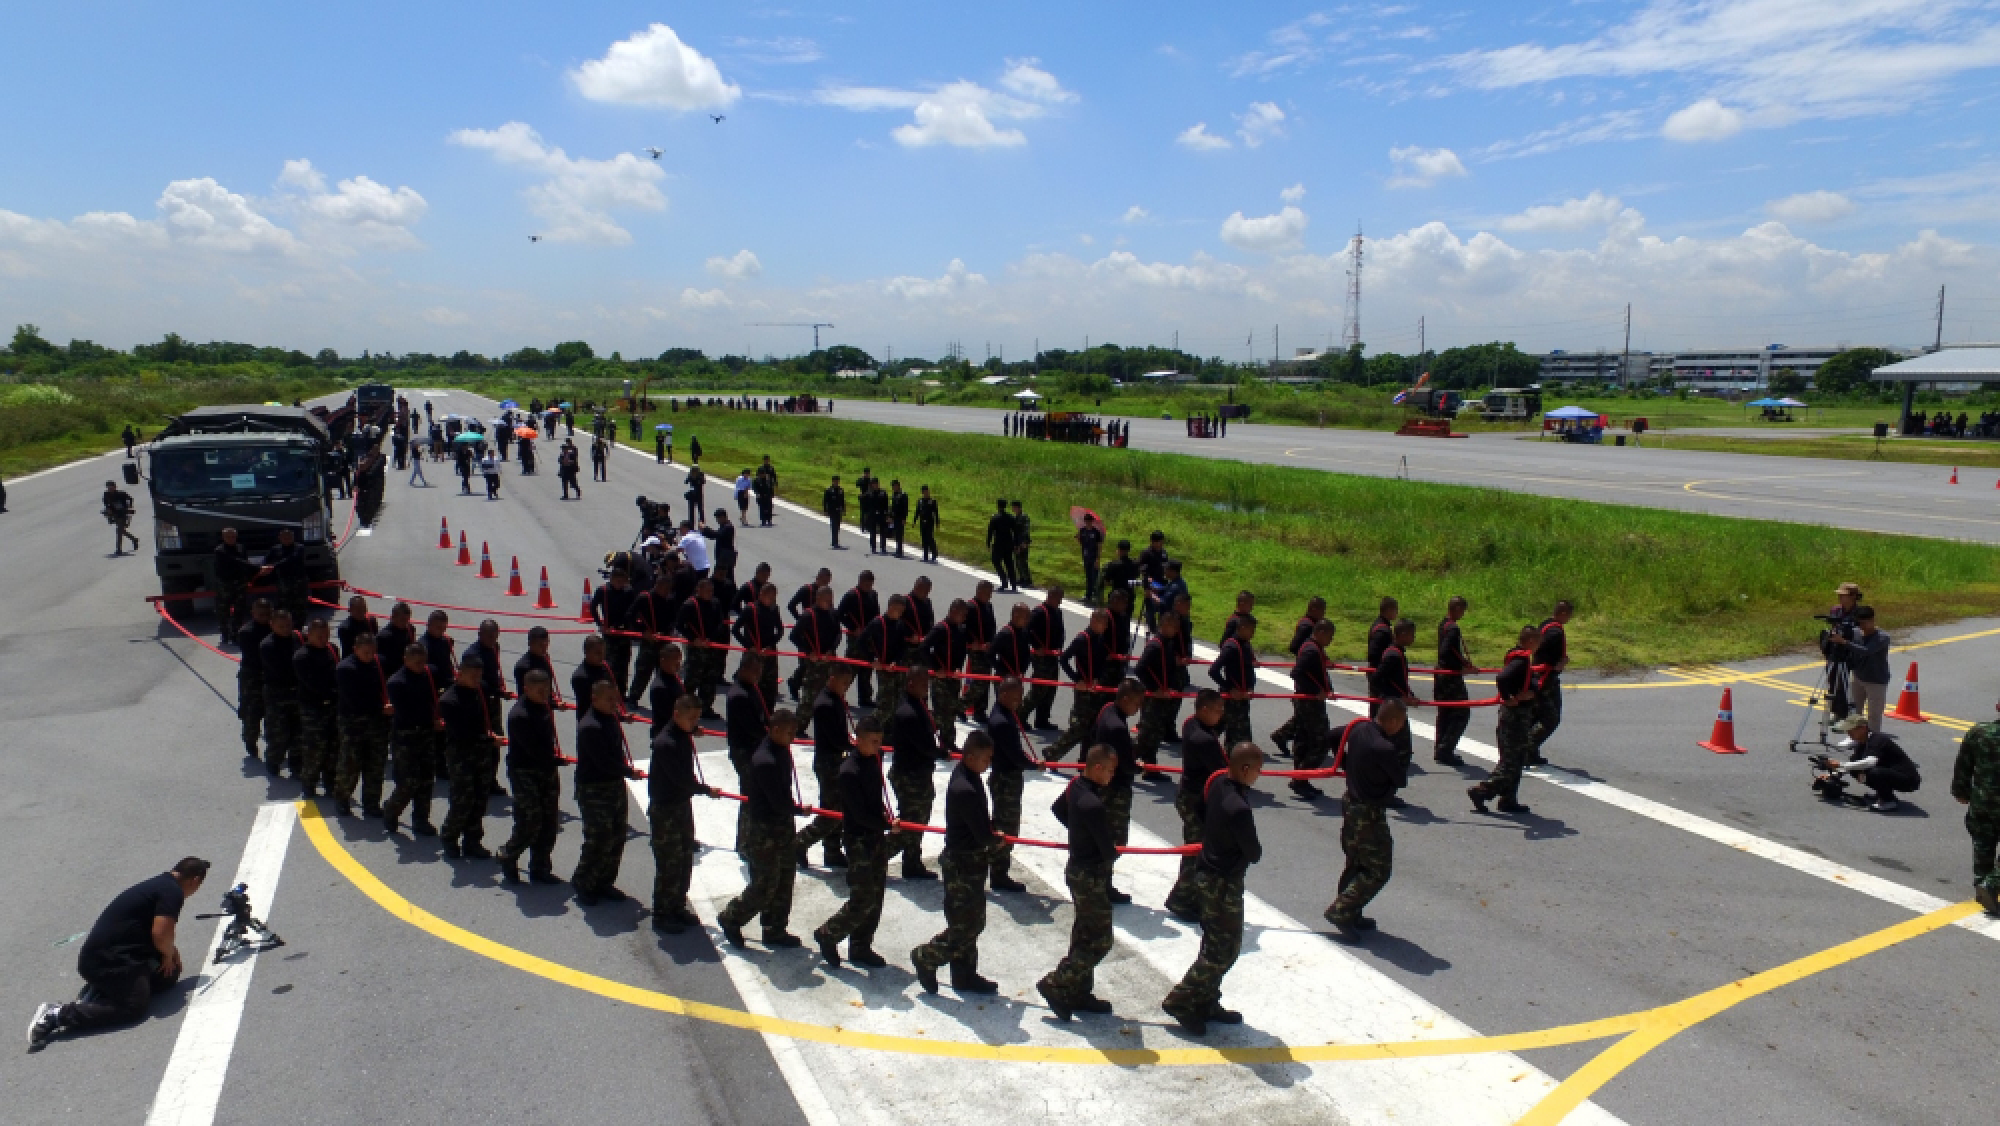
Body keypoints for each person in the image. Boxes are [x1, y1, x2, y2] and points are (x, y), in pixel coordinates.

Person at [28, 857, 211, 1050]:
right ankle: (56, 1015)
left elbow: (159, 935)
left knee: (168, 975)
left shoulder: (161, 884)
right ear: (195, 881)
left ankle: (104, 990)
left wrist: (170, 953)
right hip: (106, 961)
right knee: (133, 1008)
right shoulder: (173, 892)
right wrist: (168, 953)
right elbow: (160, 934)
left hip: (115, 956)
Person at [1162, 742, 1262, 1035]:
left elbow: (1201, 810)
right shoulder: (1239, 808)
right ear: (1244, 769)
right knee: (1223, 950)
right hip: (1223, 882)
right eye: (1257, 770)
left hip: (1209, 873)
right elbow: (1254, 852)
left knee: (1216, 943)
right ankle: (1182, 999)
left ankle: (1206, 1000)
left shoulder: (1219, 783)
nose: (1258, 775)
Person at [910, 731, 1003, 995]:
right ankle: (927, 956)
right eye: (986, 759)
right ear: (970, 756)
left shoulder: (969, 776)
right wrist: (996, 840)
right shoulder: (966, 787)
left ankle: (964, 974)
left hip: (968, 861)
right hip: (963, 863)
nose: (989, 764)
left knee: (966, 920)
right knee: (968, 924)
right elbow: (981, 834)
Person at [1037, 745, 1120, 1021]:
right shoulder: (1093, 804)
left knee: (1084, 933)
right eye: (1109, 770)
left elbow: (1058, 809)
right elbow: (1108, 850)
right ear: (1097, 768)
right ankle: (1058, 983)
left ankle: (1079, 991)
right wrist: (1100, 843)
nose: (1111, 776)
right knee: (1100, 939)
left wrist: (1078, 832)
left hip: (1078, 869)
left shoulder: (1076, 786)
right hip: (1090, 875)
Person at [718, 709, 805, 948]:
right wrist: (798, 809)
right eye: (788, 732)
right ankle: (732, 917)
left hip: (782, 825)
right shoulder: (765, 759)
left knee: (785, 878)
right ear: (775, 729)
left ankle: (775, 928)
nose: (792, 737)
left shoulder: (781, 751)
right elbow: (777, 800)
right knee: (765, 885)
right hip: (766, 831)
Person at [812, 715, 893, 967]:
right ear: (858, 740)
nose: (877, 746)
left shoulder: (872, 761)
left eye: (879, 742)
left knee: (876, 896)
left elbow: (875, 799)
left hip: (875, 837)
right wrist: (888, 825)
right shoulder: (849, 771)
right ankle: (829, 933)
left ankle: (861, 946)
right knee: (863, 898)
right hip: (859, 840)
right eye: (872, 741)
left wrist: (885, 817)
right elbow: (858, 813)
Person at [1326, 700, 1409, 932]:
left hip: (1351, 803)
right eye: (1401, 723)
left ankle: (1352, 912)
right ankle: (1341, 910)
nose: (1401, 728)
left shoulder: (1359, 729)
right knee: (1378, 869)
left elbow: (1333, 735)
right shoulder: (1384, 748)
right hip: (1369, 811)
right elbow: (1400, 780)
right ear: (1392, 721)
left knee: (1356, 863)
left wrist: (1344, 763)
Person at [649, 693, 714, 933]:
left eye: (697, 718)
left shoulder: (682, 735)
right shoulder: (666, 742)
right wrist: (706, 790)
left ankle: (677, 905)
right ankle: (662, 913)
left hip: (680, 806)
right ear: (676, 715)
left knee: (685, 858)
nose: (695, 722)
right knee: (669, 863)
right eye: (691, 718)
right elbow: (680, 779)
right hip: (666, 809)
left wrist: (691, 730)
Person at [572, 680, 639, 905]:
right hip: (594, 788)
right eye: (610, 700)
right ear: (595, 699)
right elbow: (603, 762)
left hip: (613, 785)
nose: (615, 704)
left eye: (616, 699)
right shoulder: (590, 726)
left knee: (617, 836)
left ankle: (604, 881)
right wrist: (629, 772)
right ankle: (584, 882)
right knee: (598, 838)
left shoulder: (608, 718)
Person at [498, 671, 565, 886]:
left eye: (547, 689)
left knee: (549, 821)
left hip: (545, 770)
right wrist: (555, 760)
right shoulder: (520, 715)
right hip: (525, 771)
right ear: (526, 689)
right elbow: (534, 750)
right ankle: (509, 854)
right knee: (530, 820)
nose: (545, 694)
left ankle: (540, 867)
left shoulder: (543, 707)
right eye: (540, 690)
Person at [1469, 625, 1541, 815]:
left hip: (1517, 717)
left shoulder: (1520, 657)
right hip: (1515, 718)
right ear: (1532, 641)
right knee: (1511, 762)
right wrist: (1509, 697)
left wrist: (1531, 691)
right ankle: (1483, 790)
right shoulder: (1521, 660)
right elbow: (1502, 678)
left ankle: (1508, 799)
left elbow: (1531, 681)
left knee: (1516, 760)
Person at [437, 657, 499, 858]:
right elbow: (462, 733)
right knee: (462, 800)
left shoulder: (480, 690)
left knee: (480, 798)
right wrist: (489, 740)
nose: (476, 680)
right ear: (460, 673)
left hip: (481, 753)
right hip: (461, 755)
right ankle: (449, 835)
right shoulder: (449, 700)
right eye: (472, 675)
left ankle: (472, 840)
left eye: (478, 676)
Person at [1091, 679, 1147, 904]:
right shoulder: (1116, 726)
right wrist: (1138, 766)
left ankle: (1102, 882)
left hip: (1105, 784)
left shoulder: (1108, 711)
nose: (1138, 708)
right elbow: (1125, 763)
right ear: (1125, 700)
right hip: (1115, 789)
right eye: (1136, 703)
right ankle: (1102, 884)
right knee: (1115, 839)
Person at [795, 665, 855, 869]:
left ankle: (832, 850)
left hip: (835, 760)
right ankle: (800, 842)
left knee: (838, 810)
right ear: (832, 678)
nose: (846, 688)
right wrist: (853, 745)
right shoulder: (825, 703)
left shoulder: (834, 699)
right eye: (844, 683)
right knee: (831, 813)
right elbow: (834, 738)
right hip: (828, 763)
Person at [382, 643, 443, 836]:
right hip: (406, 737)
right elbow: (406, 712)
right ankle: (392, 811)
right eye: (416, 662)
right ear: (405, 660)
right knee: (408, 782)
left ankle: (421, 819)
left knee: (426, 780)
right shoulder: (396, 683)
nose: (421, 666)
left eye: (423, 662)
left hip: (425, 734)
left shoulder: (429, 675)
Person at [984, 676, 1039, 893]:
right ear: (1003, 695)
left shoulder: (1005, 715)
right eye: (1015, 696)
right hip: (1006, 780)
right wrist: (1034, 766)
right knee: (1006, 828)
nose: (1019, 700)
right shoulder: (1001, 721)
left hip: (1008, 777)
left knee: (1005, 826)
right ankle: (998, 873)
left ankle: (997, 869)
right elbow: (1015, 756)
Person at [889, 668, 944, 880]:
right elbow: (924, 746)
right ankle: (872, 859)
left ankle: (912, 862)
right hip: (909, 776)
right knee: (909, 825)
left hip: (918, 774)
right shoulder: (908, 712)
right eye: (923, 684)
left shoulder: (917, 706)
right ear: (910, 683)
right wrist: (943, 752)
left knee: (917, 822)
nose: (926, 688)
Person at [332, 629, 389, 818]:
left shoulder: (379, 664)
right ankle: (342, 798)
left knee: (375, 765)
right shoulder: (345, 669)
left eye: (372, 652)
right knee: (350, 764)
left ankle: (371, 802)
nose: (370, 656)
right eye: (366, 652)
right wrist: (381, 707)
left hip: (376, 723)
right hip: (353, 723)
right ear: (355, 649)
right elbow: (354, 700)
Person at [1951, 704, 2000, 914]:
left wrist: (1960, 790)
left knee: (1983, 845)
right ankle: (1990, 884)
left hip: (1982, 801)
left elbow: (1964, 764)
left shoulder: (1979, 732)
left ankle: (1982, 888)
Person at [1049, 609, 1115, 761]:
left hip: (1096, 688)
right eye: (1102, 623)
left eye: (1106, 624)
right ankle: (1052, 753)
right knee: (1079, 727)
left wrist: (1099, 679)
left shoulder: (1100, 639)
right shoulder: (1082, 639)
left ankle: (1085, 759)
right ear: (1093, 621)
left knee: (1092, 728)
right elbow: (1064, 659)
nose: (1105, 626)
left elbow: (1102, 663)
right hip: (1083, 688)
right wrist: (1076, 679)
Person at [1285, 619, 1338, 799]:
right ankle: (1300, 778)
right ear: (1321, 632)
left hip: (1309, 701)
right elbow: (1297, 673)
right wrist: (1317, 691)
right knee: (1321, 741)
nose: (1331, 640)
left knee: (1304, 740)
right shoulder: (1310, 650)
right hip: (1309, 702)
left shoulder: (1314, 648)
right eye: (1330, 636)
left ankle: (1301, 779)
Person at [1825, 715, 1922, 811]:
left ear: (1863, 728)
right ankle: (1881, 794)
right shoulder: (1862, 742)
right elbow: (1853, 763)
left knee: (1874, 772)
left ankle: (1888, 801)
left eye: (1851, 730)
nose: (1848, 733)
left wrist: (1840, 764)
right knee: (1855, 769)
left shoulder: (1877, 739)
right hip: (1891, 773)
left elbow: (1871, 762)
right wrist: (1832, 775)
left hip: (1908, 780)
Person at [293, 618, 341, 798]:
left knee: (333, 748)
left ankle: (331, 783)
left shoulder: (332, 650)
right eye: (319, 635)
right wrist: (333, 691)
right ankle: (309, 783)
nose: (323, 639)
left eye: (326, 635)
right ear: (309, 635)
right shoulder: (302, 657)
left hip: (332, 708)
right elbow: (314, 684)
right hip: (313, 709)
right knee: (314, 749)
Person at [1528, 600, 1573, 765]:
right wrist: (1562, 663)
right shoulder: (1556, 632)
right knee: (1551, 718)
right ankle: (1528, 747)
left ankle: (1528, 750)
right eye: (1568, 615)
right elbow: (1553, 660)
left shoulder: (1545, 625)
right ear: (1563, 613)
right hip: (1547, 679)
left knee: (1535, 715)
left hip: (1535, 675)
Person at [1834, 605, 1892, 732]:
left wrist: (1844, 642)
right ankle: (1855, 736)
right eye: (1859, 623)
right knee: (1855, 711)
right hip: (1858, 677)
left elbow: (1866, 651)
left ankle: (1872, 740)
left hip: (1876, 680)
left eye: (1865, 623)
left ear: (1873, 620)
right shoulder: (1855, 633)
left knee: (1874, 714)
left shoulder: (1882, 637)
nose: (1862, 627)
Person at [259, 609, 302, 778]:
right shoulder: (268, 645)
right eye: (281, 626)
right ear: (273, 625)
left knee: (298, 732)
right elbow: (281, 670)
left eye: (288, 625)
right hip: (277, 695)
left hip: (296, 693)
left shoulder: (297, 639)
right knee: (279, 733)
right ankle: (274, 760)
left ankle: (296, 764)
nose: (286, 629)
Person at [1432, 597, 1473, 765]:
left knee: (1445, 712)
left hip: (1441, 673)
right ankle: (1446, 749)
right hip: (1450, 676)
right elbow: (1447, 651)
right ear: (1456, 608)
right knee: (1461, 712)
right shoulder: (1453, 629)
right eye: (1462, 610)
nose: (1463, 613)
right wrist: (1463, 665)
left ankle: (1440, 747)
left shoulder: (1443, 624)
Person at [212, 527, 267, 644]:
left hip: (240, 583)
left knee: (239, 609)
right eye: (228, 537)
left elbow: (245, 563)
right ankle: (225, 633)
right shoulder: (220, 550)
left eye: (233, 536)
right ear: (223, 538)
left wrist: (253, 575)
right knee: (223, 610)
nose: (231, 539)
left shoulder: (241, 547)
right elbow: (236, 561)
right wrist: (259, 568)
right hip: (225, 584)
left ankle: (236, 633)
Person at [590, 567, 639, 701]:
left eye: (622, 582)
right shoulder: (603, 591)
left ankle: (621, 693)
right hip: (609, 634)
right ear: (611, 579)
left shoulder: (628, 592)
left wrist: (625, 625)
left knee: (623, 663)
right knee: (608, 664)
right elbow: (593, 607)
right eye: (617, 581)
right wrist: (600, 624)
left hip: (623, 633)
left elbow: (632, 610)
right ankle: (606, 691)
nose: (620, 584)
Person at [1209, 617, 1257, 749]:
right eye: (1251, 630)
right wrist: (1229, 688)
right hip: (1231, 699)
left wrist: (1250, 687)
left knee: (1240, 737)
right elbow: (1213, 671)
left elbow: (1249, 671)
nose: (1253, 634)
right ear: (1242, 628)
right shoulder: (1231, 646)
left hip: (1242, 699)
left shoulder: (1246, 645)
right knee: (1236, 737)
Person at [838, 572, 883, 710]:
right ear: (859, 581)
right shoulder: (851, 595)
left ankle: (865, 697)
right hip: (856, 638)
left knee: (866, 668)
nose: (868, 587)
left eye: (870, 584)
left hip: (869, 637)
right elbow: (840, 614)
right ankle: (839, 696)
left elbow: (876, 614)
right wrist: (852, 627)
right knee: (850, 668)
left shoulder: (873, 595)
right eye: (866, 584)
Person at [234, 600, 273, 758]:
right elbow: (254, 656)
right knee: (252, 713)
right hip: (252, 678)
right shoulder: (246, 632)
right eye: (260, 615)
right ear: (253, 614)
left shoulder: (276, 627)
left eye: (267, 614)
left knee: (274, 715)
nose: (264, 618)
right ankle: (251, 741)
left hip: (272, 677)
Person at [1025, 587, 1065, 730]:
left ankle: (1042, 719)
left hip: (1053, 656)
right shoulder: (1039, 612)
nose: (1060, 602)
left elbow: (1061, 631)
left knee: (1051, 689)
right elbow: (1027, 631)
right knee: (1039, 689)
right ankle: (1021, 716)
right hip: (1041, 657)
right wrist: (1036, 647)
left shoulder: (1058, 612)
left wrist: (1060, 646)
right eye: (1057, 598)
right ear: (1050, 596)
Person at [985, 498, 1019, 591]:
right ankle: (1014, 584)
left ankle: (1004, 581)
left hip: (998, 544)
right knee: (1009, 564)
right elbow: (1015, 532)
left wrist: (988, 542)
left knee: (996, 561)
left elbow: (990, 531)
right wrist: (1016, 544)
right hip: (1009, 543)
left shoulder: (995, 517)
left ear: (998, 506)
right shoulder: (1011, 517)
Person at [102, 481, 140, 555]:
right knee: (121, 530)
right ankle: (134, 539)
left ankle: (118, 549)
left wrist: (129, 507)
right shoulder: (106, 495)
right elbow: (106, 504)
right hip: (114, 514)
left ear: (115, 487)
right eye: (108, 487)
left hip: (123, 514)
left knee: (119, 531)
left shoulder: (121, 494)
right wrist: (108, 511)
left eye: (111, 487)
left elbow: (130, 499)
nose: (110, 489)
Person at [1076, 515, 1104, 605]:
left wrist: (1098, 559)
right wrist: (1078, 539)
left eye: (1089, 520)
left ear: (1092, 521)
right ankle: (1088, 595)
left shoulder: (1096, 532)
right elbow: (1082, 543)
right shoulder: (1082, 531)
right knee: (1088, 577)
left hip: (1094, 557)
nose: (1088, 522)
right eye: (1086, 520)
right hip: (1085, 557)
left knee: (1094, 578)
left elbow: (1099, 546)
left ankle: (1096, 596)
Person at [1010, 500, 1034, 587]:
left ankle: (1028, 580)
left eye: (1014, 507)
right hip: (1016, 541)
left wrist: (1024, 542)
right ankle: (1022, 578)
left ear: (1018, 507)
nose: (1013, 509)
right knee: (1017, 561)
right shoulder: (1016, 517)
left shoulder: (1024, 517)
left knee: (1023, 561)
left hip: (1023, 542)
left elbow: (1026, 530)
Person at [916, 485, 941, 562]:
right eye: (924, 491)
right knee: (924, 538)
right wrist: (914, 521)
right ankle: (925, 556)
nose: (926, 493)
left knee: (930, 538)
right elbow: (917, 512)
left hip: (930, 522)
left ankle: (934, 553)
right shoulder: (920, 501)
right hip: (922, 522)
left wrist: (937, 523)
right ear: (922, 492)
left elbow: (936, 513)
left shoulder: (932, 501)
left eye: (927, 491)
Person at [822, 475, 846, 548]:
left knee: (838, 526)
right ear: (832, 482)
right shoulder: (829, 490)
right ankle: (834, 541)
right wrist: (825, 510)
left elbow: (842, 501)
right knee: (834, 526)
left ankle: (835, 540)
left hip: (839, 510)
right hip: (832, 510)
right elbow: (825, 501)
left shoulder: (841, 490)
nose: (836, 482)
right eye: (835, 481)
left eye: (837, 481)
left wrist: (844, 509)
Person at [889, 479, 911, 558]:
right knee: (896, 534)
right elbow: (892, 507)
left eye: (894, 486)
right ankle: (897, 550)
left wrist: (904, 518)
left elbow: (905, 507)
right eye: (892, 486)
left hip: (900, 517)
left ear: (898, 486)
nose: (893, 488)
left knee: (900, 534)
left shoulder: (903, 495)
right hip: (895, 517)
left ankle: (900, 551)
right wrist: (890, 516)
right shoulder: (894, 495)